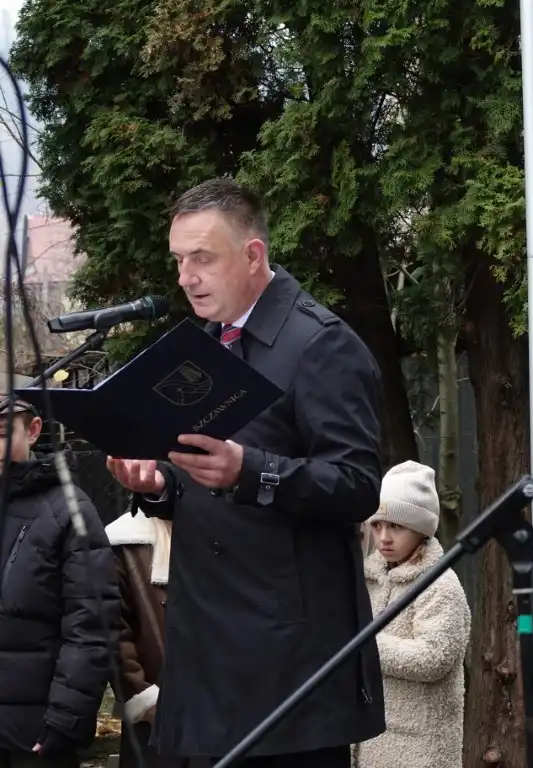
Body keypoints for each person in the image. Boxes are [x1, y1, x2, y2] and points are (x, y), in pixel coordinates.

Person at [105, 177, 385, 767]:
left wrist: (249, 471)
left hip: (287, 668)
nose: (186, 277)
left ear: (253, 255)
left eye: (202, 258)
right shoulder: (201, 346)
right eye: (179, 260)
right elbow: (201, 475)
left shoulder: (321, 344)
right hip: (206, 654)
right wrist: (159, 484)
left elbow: (358, 482)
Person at [0, 399, 118, 768]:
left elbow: (92, 623)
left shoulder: (67, 511)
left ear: (33, 430)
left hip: (27, 733)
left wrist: (66, 717)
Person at [351, 461, 471, 768]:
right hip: (372, 742)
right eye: (377, 526)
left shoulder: (440, 584)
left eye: (396, 526)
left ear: (420, 528)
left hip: (421, 747)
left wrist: (362, 645)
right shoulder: (370, 579)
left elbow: (433, 657)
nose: (384, 538)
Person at [106, 507, 209, 768]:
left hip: (223, 718)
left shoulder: (234, 531)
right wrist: (144, 697)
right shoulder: (122, 540)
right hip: (153, 724)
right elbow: (113, 631)